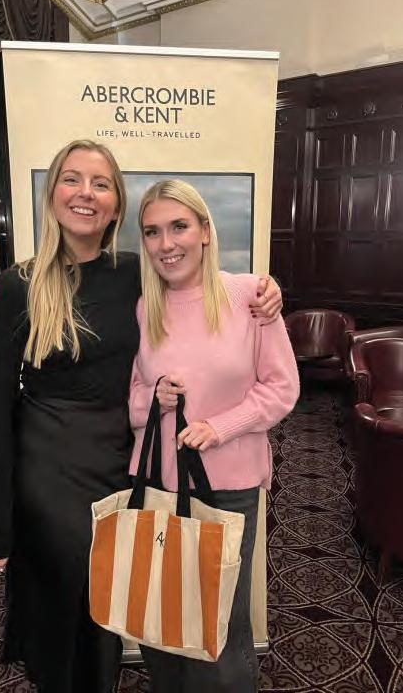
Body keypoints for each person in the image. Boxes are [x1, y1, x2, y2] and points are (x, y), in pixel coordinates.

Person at [0, 139, 283, 693]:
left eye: (101, 184)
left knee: (117, 606)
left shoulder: (136, 275)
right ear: (53, 194)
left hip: (129, 462)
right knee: (64, 602)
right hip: (50, 469)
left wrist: (265, 290)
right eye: (72, 179)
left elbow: (201, 295)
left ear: (116, 203)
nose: (85, 194)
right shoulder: (20, 285)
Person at [129, 179, 300, 693]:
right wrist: (154, 397)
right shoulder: (146, 306)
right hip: (158, 484)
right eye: (152, 232)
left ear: (205, 230)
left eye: (179, 226)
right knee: (160, 615)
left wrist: (219, 427)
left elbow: (282, 388)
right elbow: (134, 394)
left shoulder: (250, 295)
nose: (166, 243)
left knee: (218, 623)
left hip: (227, 489)